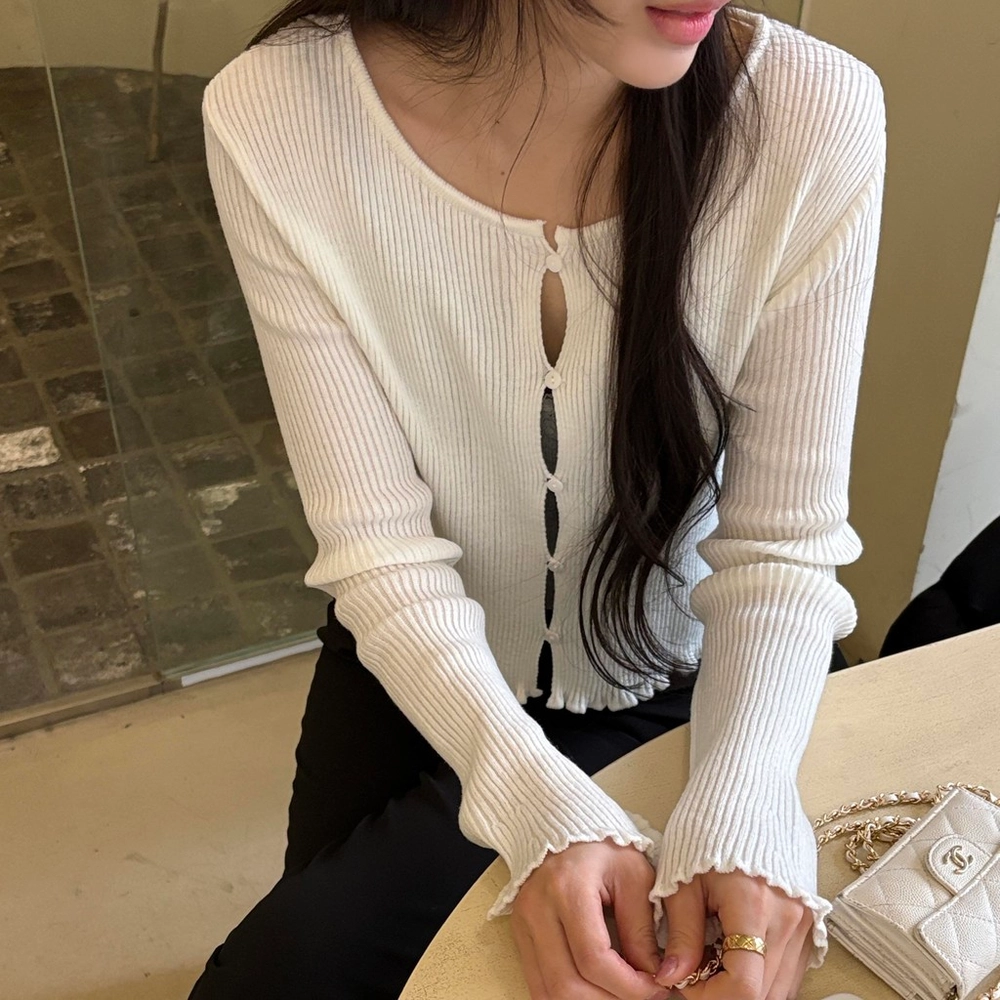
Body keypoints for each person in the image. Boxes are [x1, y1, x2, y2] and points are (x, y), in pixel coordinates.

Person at [188, 0, 887, 997]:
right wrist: (535, 811)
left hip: (695, 673)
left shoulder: (810, 112)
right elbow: (381, 552)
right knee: (281, 972)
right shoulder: (279, 113)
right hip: (410, 658)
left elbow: (779, 548)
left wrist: (744, 801)